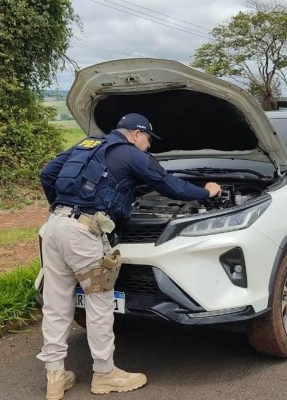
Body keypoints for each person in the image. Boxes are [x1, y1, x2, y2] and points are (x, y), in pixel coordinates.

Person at [37, 112, 222, 399]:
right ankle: (104, 373)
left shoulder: (85, 145)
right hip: (83, 236)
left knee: (56, 302)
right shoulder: (131, 154)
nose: (149, 145)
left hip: (54, 228)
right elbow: (168, 184)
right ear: (135, 134)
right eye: (148, 138)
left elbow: (48, 174)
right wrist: (205, 192)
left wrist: (68, 208)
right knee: (99, 302)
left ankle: (55, 376)